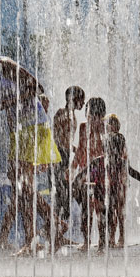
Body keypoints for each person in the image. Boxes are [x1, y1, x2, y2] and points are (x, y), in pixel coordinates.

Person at [0, 35, 65, 256]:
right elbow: (9, 107)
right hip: (19, 132)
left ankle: (46, 230)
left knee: (23, 187)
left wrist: (3, 105)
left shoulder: (5, 64)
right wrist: (10, 134)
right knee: (21, 186)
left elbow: (37, 87)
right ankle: (38, 235)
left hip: (34, 125)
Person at [71, 97, 107, 252]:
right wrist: (73, 168)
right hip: (87, 172)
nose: (92, 117)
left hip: (100, 172)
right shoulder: (83, 127)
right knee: (87, 208)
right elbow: (80, 149)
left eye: (95, 114)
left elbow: (109, 151)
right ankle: (88, 241)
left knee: (99, 207)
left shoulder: (106, 128)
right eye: (90, 114)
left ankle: (102, 242)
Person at [52, 86, 85, 225]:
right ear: (74, 99)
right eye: (82, 100)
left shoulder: (70, 115)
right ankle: (52, 229)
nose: (83, 103)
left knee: (64, 196)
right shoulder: (63, 114)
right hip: (59, 157)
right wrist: (73, 150)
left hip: (63, 156)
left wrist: (74, 149)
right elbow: (57, 138)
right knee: (63, 194)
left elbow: (64, 139)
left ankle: (55, 230)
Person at [104, 114, 128, 248]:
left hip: (115, 177)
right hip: (117, 177)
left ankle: (114, 238)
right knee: (117, 209)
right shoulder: (118, 137)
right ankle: (118, 238)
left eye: (107, 124)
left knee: (113, 209)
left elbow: (121, 156)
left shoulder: (115, 137)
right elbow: (124, 156)